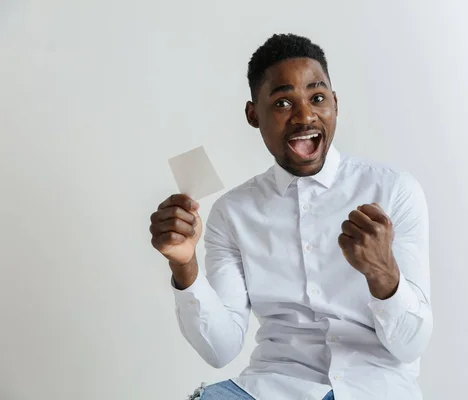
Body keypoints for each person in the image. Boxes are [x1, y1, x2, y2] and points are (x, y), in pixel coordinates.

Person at [149, 33, 432, 400]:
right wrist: (184, 266)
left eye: (317, 97)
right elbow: (219, 349)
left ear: (335, 103)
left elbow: (411, 346)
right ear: (253, 114)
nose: (304, 115)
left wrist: (383, 273)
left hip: (373, 387)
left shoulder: (394, 191)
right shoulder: (233, 213)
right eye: (283, 102)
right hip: (272, 388)